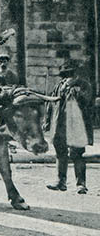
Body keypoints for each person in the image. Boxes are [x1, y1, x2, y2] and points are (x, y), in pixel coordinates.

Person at [45, 60, 94, 194]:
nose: (68, 77)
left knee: (77, 153)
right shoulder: (59, 86)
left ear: (76, 74)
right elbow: (50, 103)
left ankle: (81, 184)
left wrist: (74, 89)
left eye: (70, 74)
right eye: (65, 74)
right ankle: (60, 182)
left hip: (76, 125)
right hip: (59, 124)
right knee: (60, 152)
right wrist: (47, 120)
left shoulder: (84, 85)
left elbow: (87, 101)